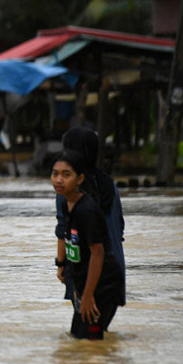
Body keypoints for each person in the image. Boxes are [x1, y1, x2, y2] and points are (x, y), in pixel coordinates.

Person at [51, 149, 121, 340]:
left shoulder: (86, 210)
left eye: (66, 175)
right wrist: (77, 288)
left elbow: (97, 253)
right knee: (78, 340)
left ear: (80, 179)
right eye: (55, 174)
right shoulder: (67, 206)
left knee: (91, 343)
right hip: (85, 285)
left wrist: (89, 294)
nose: (59, 180)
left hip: (101, 285)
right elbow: (74, 249)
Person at [54, 126, 126, 309]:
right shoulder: (110, 185)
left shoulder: (68, 189)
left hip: (87, 276)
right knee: (98, 334)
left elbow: (64, 231)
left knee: (85, 333)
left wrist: (61, 264)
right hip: (115, 271)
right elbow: (120, 228)